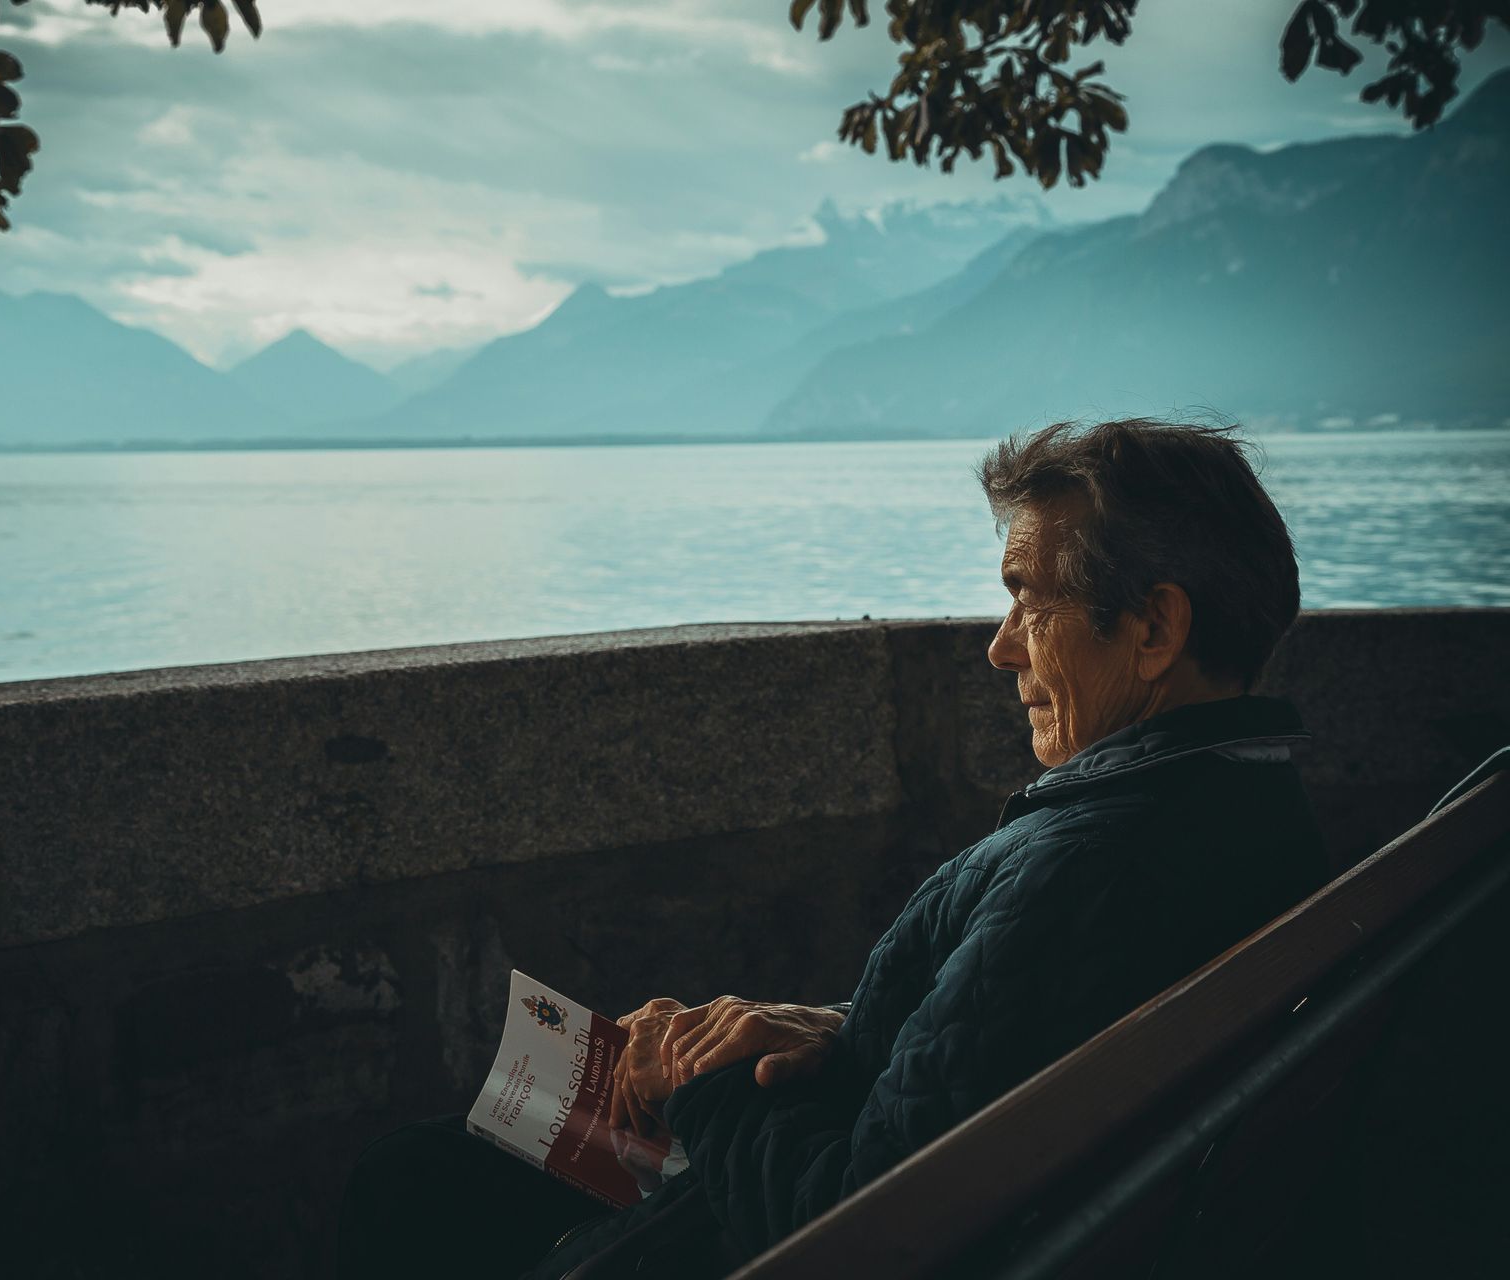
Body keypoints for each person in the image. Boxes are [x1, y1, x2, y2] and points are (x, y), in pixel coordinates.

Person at [335, 419, 1327, 1279]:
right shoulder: (1243, 805)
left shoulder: (1090, 865)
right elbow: (998, 1036)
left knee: (407, 1181)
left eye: (1030, 598)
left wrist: (697, 1081)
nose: (1001, 646)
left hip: (769, 1227)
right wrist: (831, 1028)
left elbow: (868, 1224)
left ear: (1153, 628)